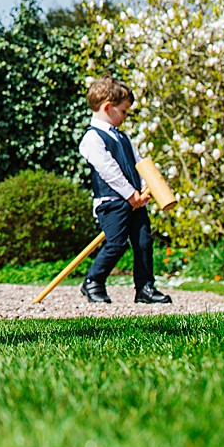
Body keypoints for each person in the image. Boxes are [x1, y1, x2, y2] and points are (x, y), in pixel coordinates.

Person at [79, 77, 172, 305]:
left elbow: (138, 163)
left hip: (135, 200)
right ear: (108, 107)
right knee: (116, 243)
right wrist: (131, 195)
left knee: (143, 242)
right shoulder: (92, 138)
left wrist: (143, 188)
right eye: (124, 111)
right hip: (112, 202)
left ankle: (145, 288)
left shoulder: (123, 137)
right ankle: (93, 281)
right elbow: (109, 171)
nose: (125, 117)